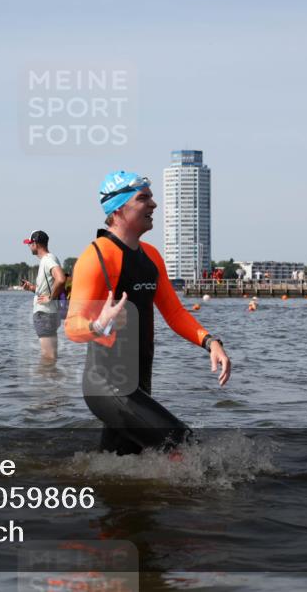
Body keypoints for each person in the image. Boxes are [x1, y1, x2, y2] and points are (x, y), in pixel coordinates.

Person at [65, 171, 231, 455]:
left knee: (121, 468)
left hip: (140, 384)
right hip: (107, 385)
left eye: (151, 197)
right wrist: (98, 323)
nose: (153, 204)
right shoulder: (97, 257)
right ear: (117, 209)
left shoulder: (151, 256)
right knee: (184, 446)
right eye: (143, 198)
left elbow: (175, 313)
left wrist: (210, 342)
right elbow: (72, 326)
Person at [20, 230, 66, 362]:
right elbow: (51, 285)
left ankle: (44, 382)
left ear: (35, 243)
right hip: (50, 314)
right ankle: (51, 381)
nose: (29, 246)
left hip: (44, 314)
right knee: (51, 357)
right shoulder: (51, 258)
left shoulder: (47, 260)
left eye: (29, 243)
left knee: (48, 358)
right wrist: (32, 288)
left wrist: (50, 297)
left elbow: (61, 279)